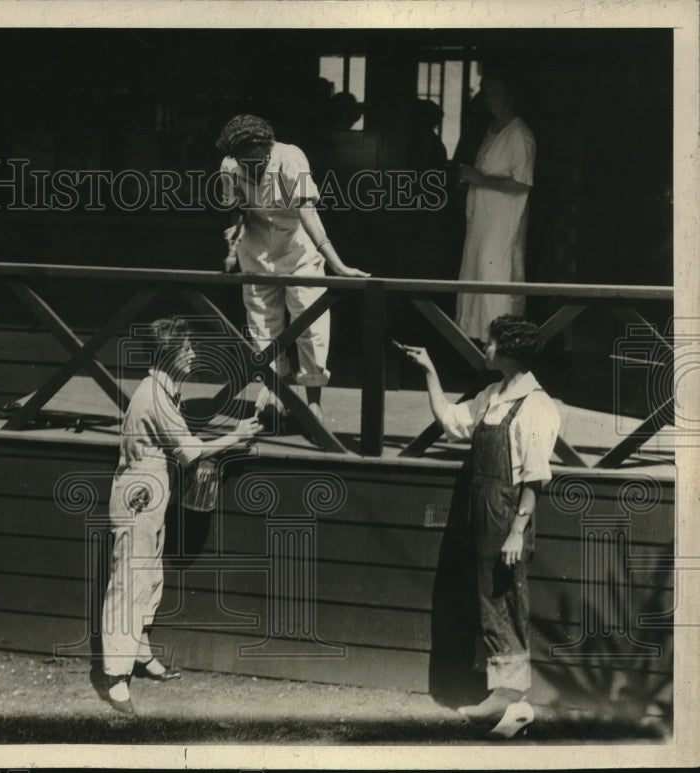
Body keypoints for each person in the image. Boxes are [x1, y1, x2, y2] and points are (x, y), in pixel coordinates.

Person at [400, 315, 559, 738]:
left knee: (505, 600)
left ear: (508, 351)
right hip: (478, 505)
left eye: (489, 344)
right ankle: (505, 696)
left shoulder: (537, 406)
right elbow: (451, 420)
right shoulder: (493, 394)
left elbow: (535, 478)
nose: (484, 349)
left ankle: (513, 698)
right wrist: (430, 370)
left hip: (507, 511)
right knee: (487, 600)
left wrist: (517, 530)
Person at [101, 318, 261, 714]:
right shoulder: (154, 395)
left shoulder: (166, 391)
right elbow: (189, 450)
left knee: (149, 577)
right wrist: (237, 435)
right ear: (169, 354)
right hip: (138, 499)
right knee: (127, 584)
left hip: (154, 496)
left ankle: (141, 655)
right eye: (187, 349)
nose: (193, 355)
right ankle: (115, 677)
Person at [216, 114, 370, 424]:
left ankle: (313, 400)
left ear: (268, 148)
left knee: (309, 323)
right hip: (257, 250)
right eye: (245, 163)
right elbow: (236, 208)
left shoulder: (291, 158)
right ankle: (277, 395)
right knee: (262, 325)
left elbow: (307, 211)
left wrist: (337, 264)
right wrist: (234, 241)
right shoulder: (229, 166)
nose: (252, 168)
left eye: (257, 162)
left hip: (299, 247)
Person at [455, 70, 536, 341]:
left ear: (510, 97)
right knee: (476, 276)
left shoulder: (519, 135)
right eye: (484, 91)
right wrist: (472, 180)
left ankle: (498, 345)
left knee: (494, 278)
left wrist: (481, 179)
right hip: (481, 221)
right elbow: (489, 173)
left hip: (502, 226)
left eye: (494, 92)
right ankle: (476, 346)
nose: (487, 98)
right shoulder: (492, 129)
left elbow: (522, 182)